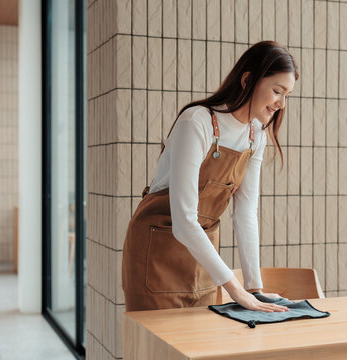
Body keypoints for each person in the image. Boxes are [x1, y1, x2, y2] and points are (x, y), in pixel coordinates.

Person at [122, 41, 298, 313]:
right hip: (154, 258)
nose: (281, 104)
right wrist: (235, 289)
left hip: (203, 261)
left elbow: (245, 212)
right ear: (248, 79)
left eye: (287, 95)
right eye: (277, 91)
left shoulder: (255, 135)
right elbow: (184, 222)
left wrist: (254, 288)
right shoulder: (196, 123)